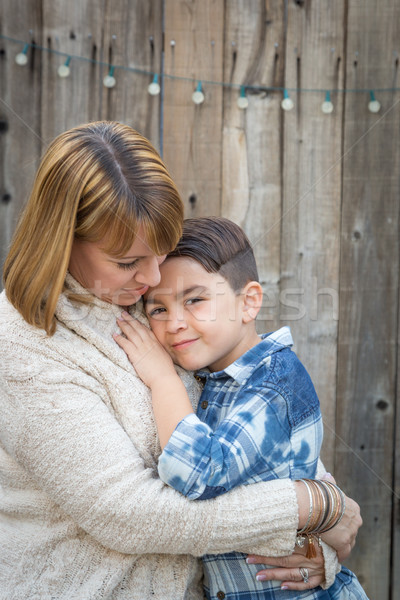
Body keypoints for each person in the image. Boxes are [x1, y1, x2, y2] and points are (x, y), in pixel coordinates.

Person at [0, 121, 362, 600]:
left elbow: (253, 429)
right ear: (63, 242)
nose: (153, 277)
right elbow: (130, 514)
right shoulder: (24, 346)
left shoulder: (151, 300)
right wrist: (307, 508)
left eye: (162, 251)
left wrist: (323, 534)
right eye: (129, 262)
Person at [114, 216, 369, 600]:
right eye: (157, 309)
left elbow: (201, 473)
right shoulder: (209, 378)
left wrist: (161, 378)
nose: (175, 324)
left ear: (248, 302)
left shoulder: (275, 379)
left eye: (195, 300)